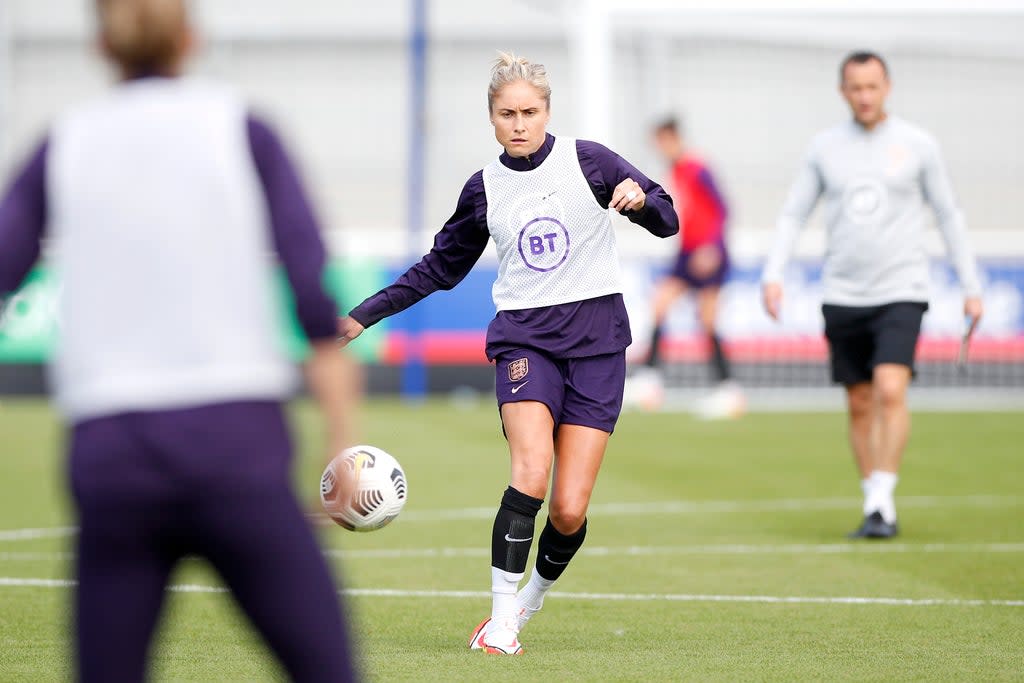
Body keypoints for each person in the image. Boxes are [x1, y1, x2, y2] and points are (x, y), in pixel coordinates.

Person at [0, 1, 358, 680]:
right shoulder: (244, 130)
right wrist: (341, 439)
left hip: (111, 452)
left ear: (101, 46)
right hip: (237, 444)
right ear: (191, 39)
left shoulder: (64, 142)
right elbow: (313, 298)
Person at [337, 52, 678, 655]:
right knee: (531, 471)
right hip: (525, 340)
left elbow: (668, 219)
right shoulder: (485, 188)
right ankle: (500, 623)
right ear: (491, 119)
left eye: (530, 111)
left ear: (548, 111)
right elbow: (440, 268)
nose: (519, 123)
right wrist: (364, 315)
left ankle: (528, 602)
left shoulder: (590, 161)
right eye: (506, 114)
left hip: (599, 344)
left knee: (569, 510)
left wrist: (640, 199)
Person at [761, 51, 984, 539]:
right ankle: (873, 499)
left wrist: (971, 285)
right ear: (843, 91)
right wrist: (773, 273)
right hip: (842, 291)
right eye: (855, 87)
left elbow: (949, 214)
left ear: (888, 87)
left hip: (902, 288)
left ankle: (883, 499)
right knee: (860, 400)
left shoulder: (918, 145)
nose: (864, 95)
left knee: (889, 388)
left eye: (872, 86)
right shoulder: (824, 148)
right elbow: (795, 214)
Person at [631, 117, 744, 418]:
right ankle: (650, 381)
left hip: (707, 252)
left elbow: (722, 208)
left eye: (660, 141)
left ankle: (728, 390)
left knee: (706, 319)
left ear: (672, 137)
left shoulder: (697, 166)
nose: (658, 148)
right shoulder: (677, 168)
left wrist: (711, 246)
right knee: (659, 305)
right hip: (688, 252)